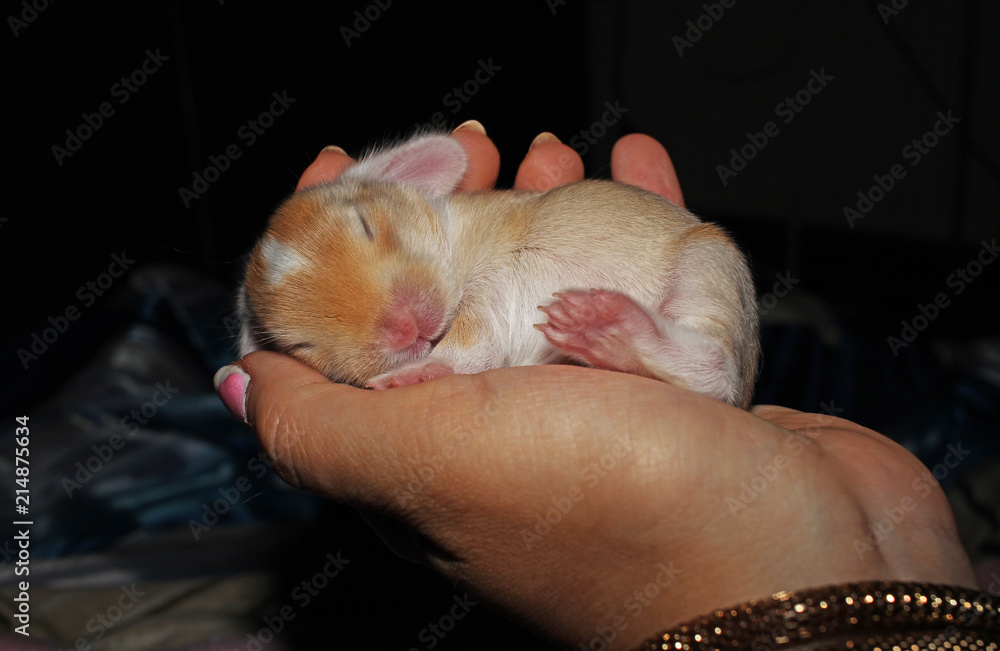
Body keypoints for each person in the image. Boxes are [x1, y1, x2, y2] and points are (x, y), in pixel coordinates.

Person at [215, 121, 988, 650]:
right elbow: (500, 340)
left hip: (673, 268)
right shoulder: (439, 322)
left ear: (403, 182)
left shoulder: (471, 230)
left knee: (711, 257)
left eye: (364, 235)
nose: (394, 323)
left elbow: (493, 316)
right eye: (316, 341)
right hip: (604, 353)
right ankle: (661, 357)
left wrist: (448, 365)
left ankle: (695, 360)